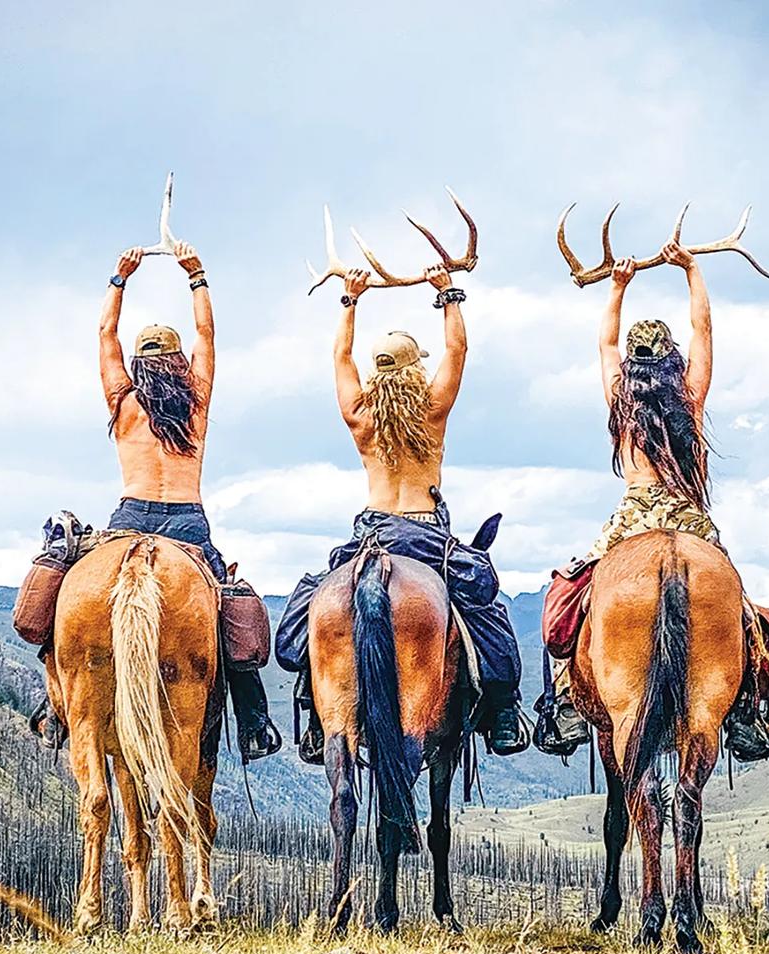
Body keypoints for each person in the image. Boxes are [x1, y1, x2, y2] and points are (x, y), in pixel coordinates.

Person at [30, 242, 282, 765]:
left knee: (66, 596)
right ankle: (255, 722)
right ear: (178, 362)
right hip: (187, 525)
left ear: (138, 366)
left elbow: (104, 335)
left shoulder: (122, 402)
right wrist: (197, 275)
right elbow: (208, 335)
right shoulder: (196, 401)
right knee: (230, 608)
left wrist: (118, 279)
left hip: (128, 522)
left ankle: (56, 707)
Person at [532, 242, 769, 762]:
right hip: (689, 519)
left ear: (633, 363)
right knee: (737, 611)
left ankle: (566, 699)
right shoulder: (689, 393)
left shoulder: (620, 398)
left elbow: (604, 343)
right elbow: (704, 333)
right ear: (670, 359)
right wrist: (692, 271)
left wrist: (617, 287)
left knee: (574, 598)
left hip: (631, 516)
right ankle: (747, 712)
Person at [276, 265, 528, 763]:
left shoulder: (360, 417)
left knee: (318, 603)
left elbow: (340, 356)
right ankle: (502, 712)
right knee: (485, 610)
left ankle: (315, 707)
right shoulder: (433, 410)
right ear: (415, 371)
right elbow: (457, 351)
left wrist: (350, 299)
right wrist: (447, 294)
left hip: (371, 535)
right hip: (427, 536)